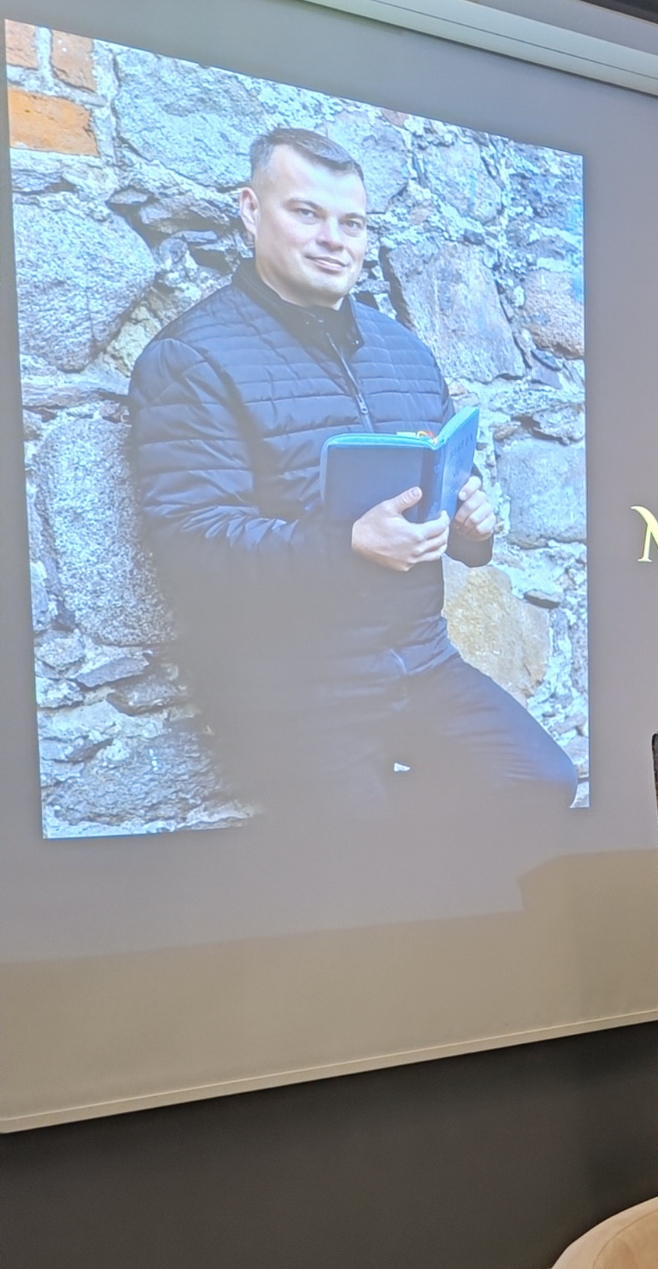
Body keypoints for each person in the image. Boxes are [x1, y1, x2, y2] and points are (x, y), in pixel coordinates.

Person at [128, 127, 578, 823]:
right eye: (306, 213)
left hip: (417, 659)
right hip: (291, 685)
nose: (333, 240)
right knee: (359, 850)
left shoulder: (405, 352)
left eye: (352, 223)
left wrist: (470, 528)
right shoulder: (190, 358)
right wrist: (347, 545)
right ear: (251, 210)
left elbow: (437, 497)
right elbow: (191, 544)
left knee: (540, 781)